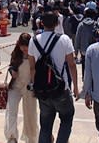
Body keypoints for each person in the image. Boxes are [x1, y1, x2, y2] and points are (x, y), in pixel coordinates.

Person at [28, 11, 79, 143]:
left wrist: (34, 86)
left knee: (45, 125)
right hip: (60, 87)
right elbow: (72, 64)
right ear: (57, 23)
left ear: (41, 23)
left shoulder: (33, 41)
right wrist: (76, 87)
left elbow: (32, 67)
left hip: (42, 88)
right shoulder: (64, 39)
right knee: (66, 119)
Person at [5, 33, 38, 143]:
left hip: (29, 87)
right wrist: (12, 71)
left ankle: (31, 137)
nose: (24, 48)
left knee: (30, 113)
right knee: (11, 111)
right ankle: (12, 137)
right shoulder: (16, 54)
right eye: (22, 45)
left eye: (26, 45)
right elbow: (11, 66)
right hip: (16, 86)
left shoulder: (35, 54)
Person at [74, 8, 97, 79]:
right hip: (94, 49)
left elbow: (77, 38)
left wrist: (76, 51)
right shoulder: (95, 24)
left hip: (83, 50)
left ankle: (84, 78)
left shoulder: (81, 24)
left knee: (84, 64)